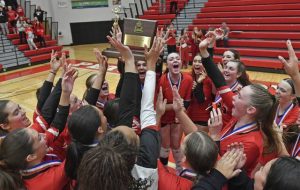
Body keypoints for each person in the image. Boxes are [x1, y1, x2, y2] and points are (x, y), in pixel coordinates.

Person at [0, 65, 77, 190]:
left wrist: (63, 86)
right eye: (16, 112)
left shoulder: (27, 140)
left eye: (20, 107)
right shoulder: (46, 180)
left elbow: (51, 122)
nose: (23, 111)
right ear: (4, 125)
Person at [159, 52, 193, 173]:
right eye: (171, 59)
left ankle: (179, 169)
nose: (175, 60)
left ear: (181, 62)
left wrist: (180, 112)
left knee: (176, 144)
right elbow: (159, 106)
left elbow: (188, 102)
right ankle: (163, 170)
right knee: (165, 145)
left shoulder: (188, 79)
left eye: (178, 58)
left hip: (178, 117)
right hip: (164, 117)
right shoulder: (161, 80)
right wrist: (175, 106)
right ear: (167, 64)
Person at [187, 55, 213, 132]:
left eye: (200, 62)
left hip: (202, 117)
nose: (197, 63)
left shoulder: (208, 80)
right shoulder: (188, 77)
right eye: (195, 61)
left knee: (199, 142)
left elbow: (201, 99)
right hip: (189, 115)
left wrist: (198, 82)